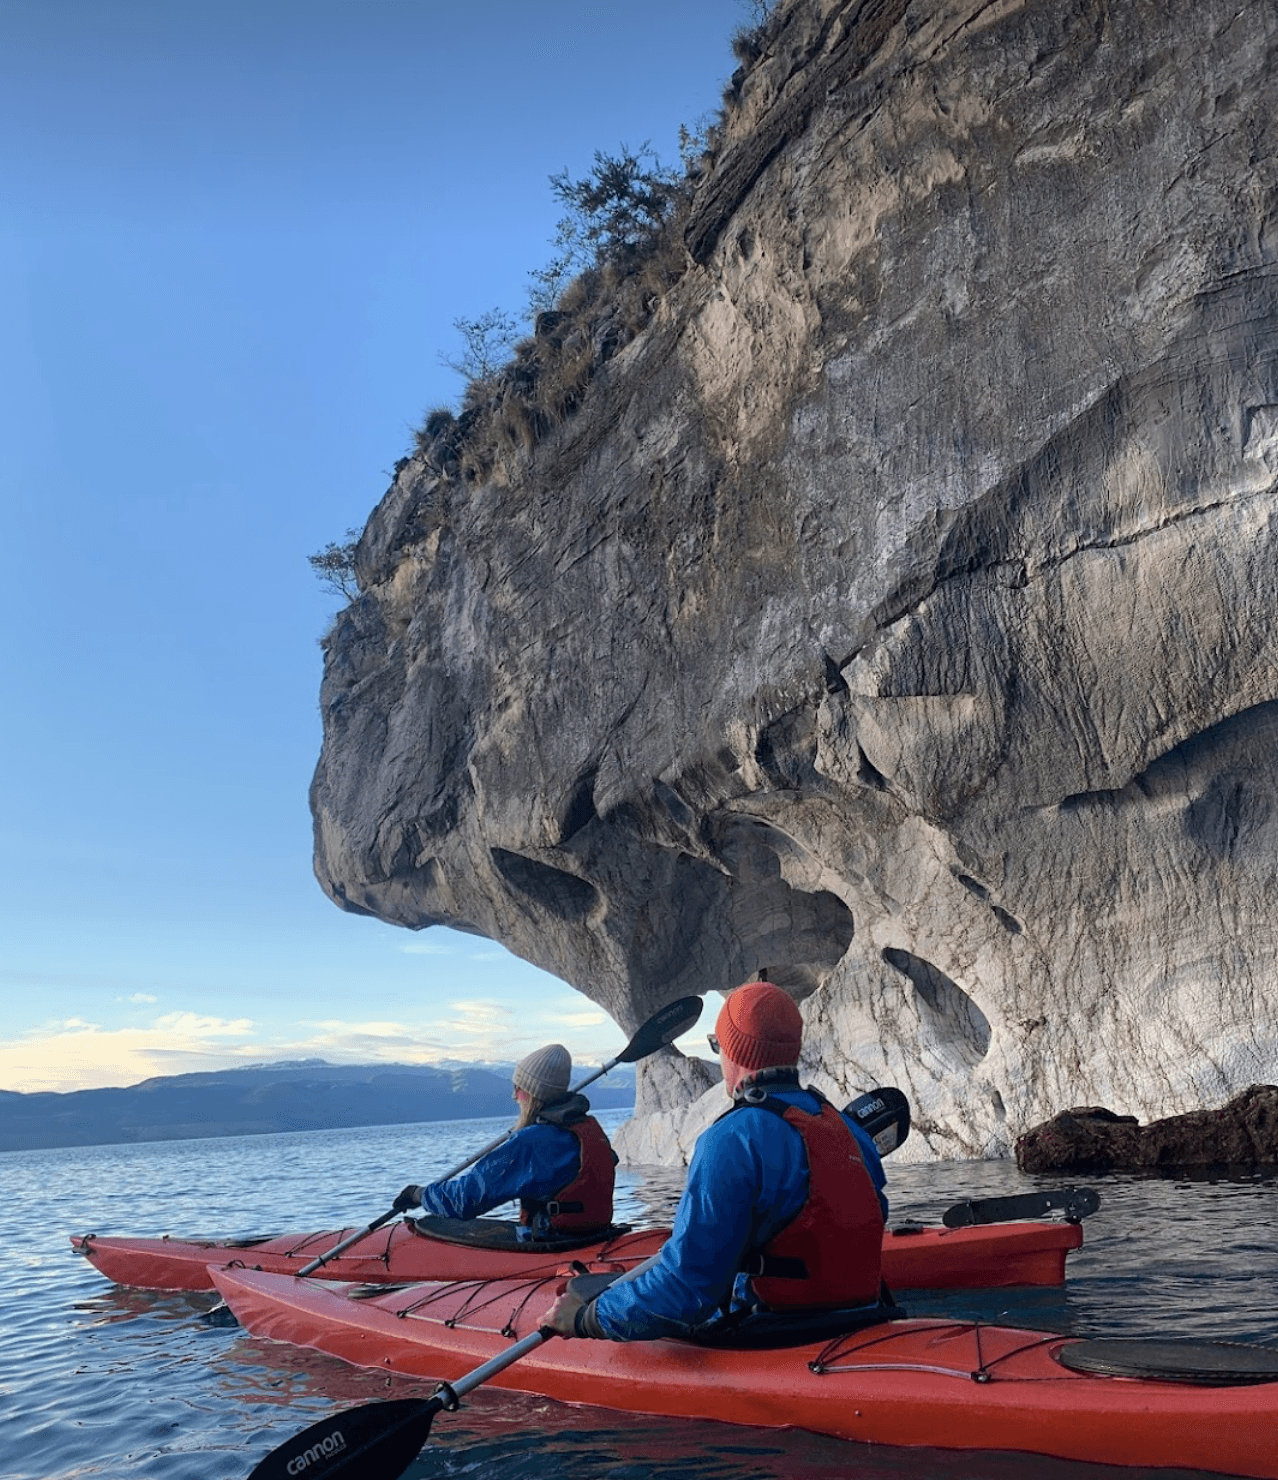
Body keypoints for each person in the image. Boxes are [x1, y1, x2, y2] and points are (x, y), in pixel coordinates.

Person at [547, 979, 887, 1339]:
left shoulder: (731, 1139)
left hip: (776, 1332)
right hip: (861, 1318)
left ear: (734, 1051)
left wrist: (588, 1317)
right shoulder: (848, 1128)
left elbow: (687, 1289)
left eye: (717, 1045)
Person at [393, 1043, 617, 1238]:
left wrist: (420, 1195)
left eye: (518, 1090)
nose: (513, 1096)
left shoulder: (529, 1143)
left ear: (530, 1095)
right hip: (595, 1234)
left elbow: (466, 1198)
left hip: (554, 1241)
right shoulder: (587, 1129)